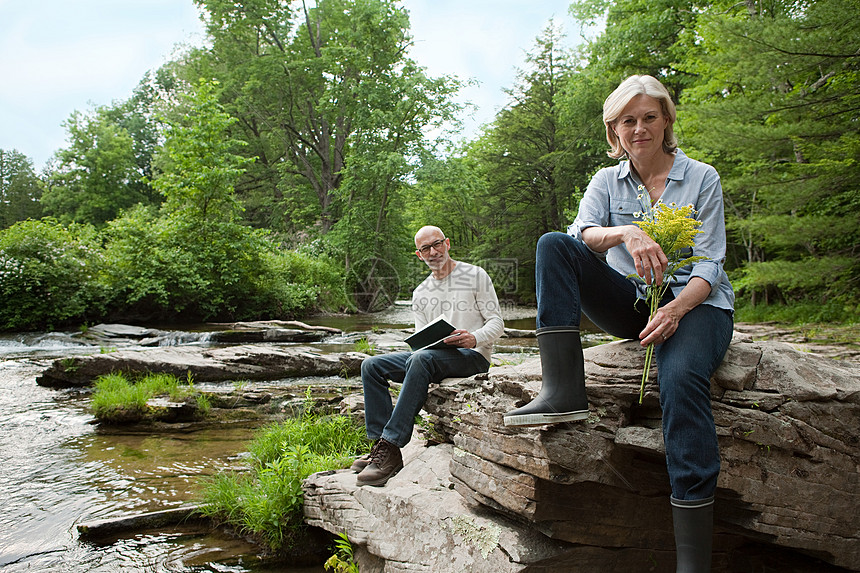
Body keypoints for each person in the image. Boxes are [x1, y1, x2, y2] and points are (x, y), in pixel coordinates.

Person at [504, 75, 734, 573]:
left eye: (649, 116)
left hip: (696, 305)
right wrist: (628, 232)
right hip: (632, 302)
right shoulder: (606, 182)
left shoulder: (702, 177)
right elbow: (581, 234)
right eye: (627, 121)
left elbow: (711, 266)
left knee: (678, 379)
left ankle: (693, 562)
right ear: (614, 132)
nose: (639, 128)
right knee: (552, 245)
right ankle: (563, 388)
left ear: (666, 120)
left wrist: (674, 309)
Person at [354, 225, 505, 487]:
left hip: (473, 356)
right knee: (371, 366)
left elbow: (497, 323)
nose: (433, 251)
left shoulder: (475, 275)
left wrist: (474, 338)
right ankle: (379, 445)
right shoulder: (420, 293)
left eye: (437, 244)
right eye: (426, 248)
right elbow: (419, 344)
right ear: (419, 255)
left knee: (421, 360)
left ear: (447, 243)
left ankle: (391, 447)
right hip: (434, 357)